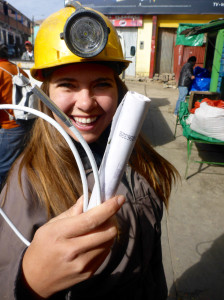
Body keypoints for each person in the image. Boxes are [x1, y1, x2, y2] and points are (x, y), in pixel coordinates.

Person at [0, 3, 179, 299]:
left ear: (118, 90)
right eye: (68, 85)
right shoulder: (26, 183)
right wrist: (27, 281)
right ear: (45, 95)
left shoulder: (137, 156)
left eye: (101, 84)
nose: (86, 102)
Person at [0, 43, 34, 190]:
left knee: (3, 168)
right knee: (20, 164)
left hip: (9, 126)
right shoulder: (17, 69)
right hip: (27, 122)